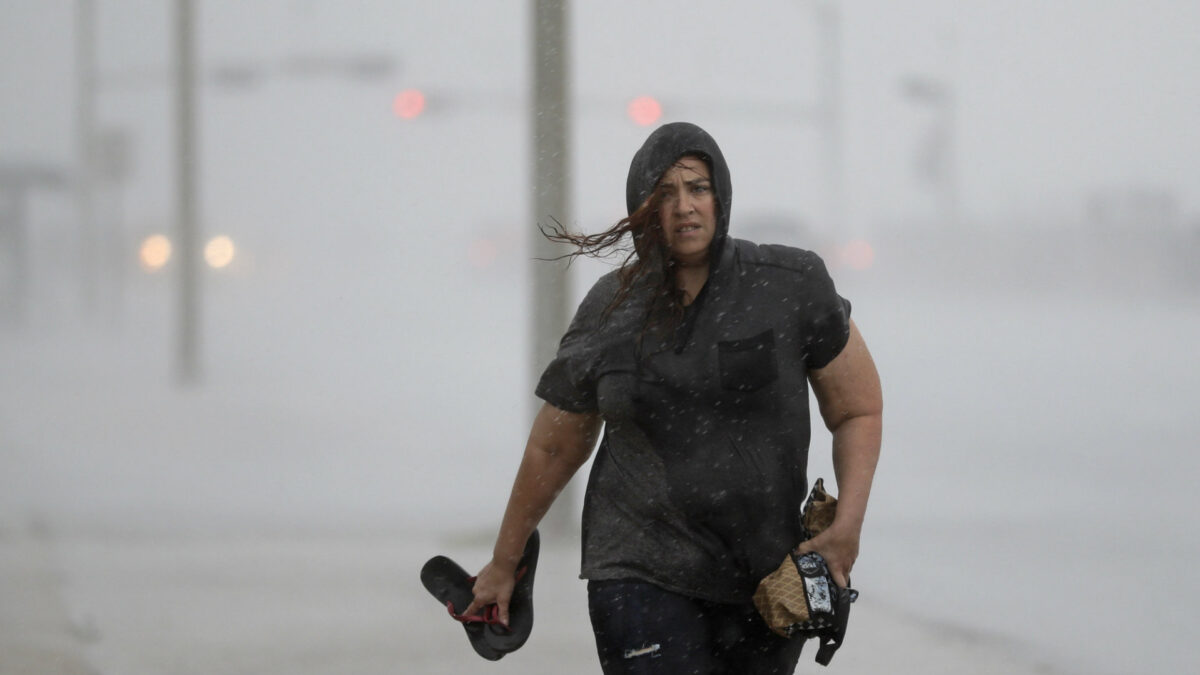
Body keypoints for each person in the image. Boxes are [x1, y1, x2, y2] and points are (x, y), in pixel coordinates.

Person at [465, 122, 882, 673]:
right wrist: (504, 561)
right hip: (638, 568)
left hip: (762, 578)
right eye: (665, 193)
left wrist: (845, 530)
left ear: (721, 196)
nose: (684, 206)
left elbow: (857, 409)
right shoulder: (613, 308)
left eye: (698, 188)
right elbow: (554, 448)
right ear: (644, 209)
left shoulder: (789, 284)